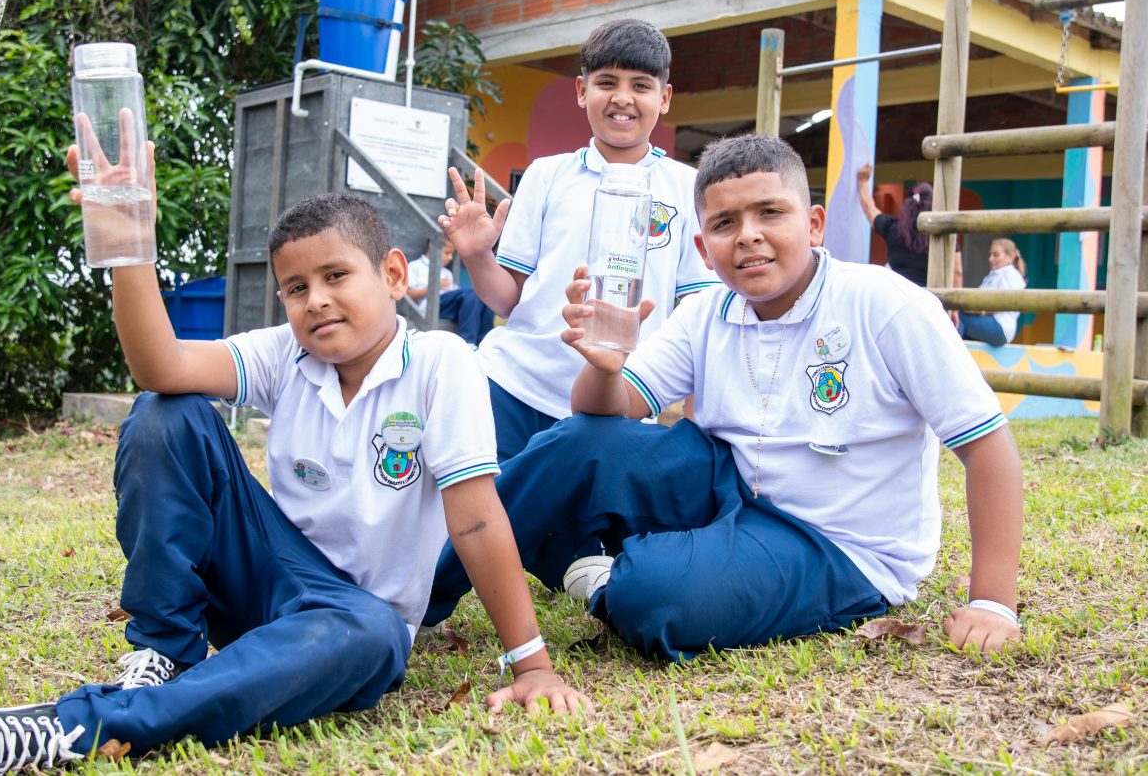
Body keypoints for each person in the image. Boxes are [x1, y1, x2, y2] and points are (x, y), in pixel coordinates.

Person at [0, 127, 588, 776]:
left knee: (377, 634)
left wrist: (532, 664)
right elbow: (161, 366)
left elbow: (475, 520)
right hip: (265, 577)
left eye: (335, 275)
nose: (315, 300)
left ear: (390, 275)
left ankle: (76, 728)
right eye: (296, 288)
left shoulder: (442, 362)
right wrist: (127, 248)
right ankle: (165, 651)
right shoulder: (286, 354)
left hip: (350, 622)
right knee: (166, 412)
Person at [426, 134, 1024, 659]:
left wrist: (993, 603)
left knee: (650, 595)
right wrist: (605, 363)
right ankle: (418, 597)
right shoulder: (708, 310)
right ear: (702, 247)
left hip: (834, 542)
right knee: (575, 443)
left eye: (771, 213)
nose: (749, 236)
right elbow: (601, 416)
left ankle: (616, 574)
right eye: (725, 223)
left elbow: (987, 447)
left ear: (814, 224)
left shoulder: (887, 306)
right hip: (727, 483)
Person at [439, 18, 721, 464]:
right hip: (512, 388)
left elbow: (698, 314)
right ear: (581, 91)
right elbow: (508, 301)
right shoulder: (547, 175)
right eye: (606, 82)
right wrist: (476, 255)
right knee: (492, 505)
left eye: (641, 85)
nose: (622, 97)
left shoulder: (688, 189)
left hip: (616, 405)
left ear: (664, 98)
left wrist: (692, 414)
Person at [856, 163, 964, 290]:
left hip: (897, 294)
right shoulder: (943, 234)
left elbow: (870, 210)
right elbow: (957, 272)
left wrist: (862, 182)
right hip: (929, 296)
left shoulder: (893, 228)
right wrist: (952, 301)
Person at [407, 238, 494, 345]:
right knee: (470, 293)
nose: (450, 258)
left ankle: (485, 342)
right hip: (428, 306)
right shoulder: (415, 266)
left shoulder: (447, 272)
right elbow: (408, 295)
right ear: (433, 248)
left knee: (482, 298)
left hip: (449, 306)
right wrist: (435, 287)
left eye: (452, 254)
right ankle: (468, 341)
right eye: (447, 253)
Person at [958, 237, 1027, 347]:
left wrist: (978, 311)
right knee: (958, 321)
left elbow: (1006, 303)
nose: (990, 259)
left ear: (1011, 256)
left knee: (957, 315)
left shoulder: (1010, 274)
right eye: (990, 255)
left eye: (996, 255)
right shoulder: (994, 275)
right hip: (989, 322)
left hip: (999, 326)